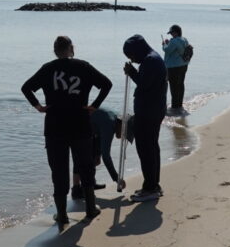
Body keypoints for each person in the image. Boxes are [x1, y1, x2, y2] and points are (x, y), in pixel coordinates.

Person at [21, 35, 113, 226]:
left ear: (55, 51)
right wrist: (94, 105)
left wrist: (38, 106)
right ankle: (90, 209)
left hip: (55, 126)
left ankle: (62, 215)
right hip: (80, 124)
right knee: (85, 167)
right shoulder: (83, 66)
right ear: (72, 49)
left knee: (59, 171)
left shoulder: (48, 69)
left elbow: (26, 88)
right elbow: (107, 84)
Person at [122, 34, 168, 202]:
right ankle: (154, 184)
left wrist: (132, 72)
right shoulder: (153, 58)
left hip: (148, 112)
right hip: (154, 109)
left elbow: (144, 84)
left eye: (131, 55)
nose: (132, 59)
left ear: (138, 50)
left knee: (146, 150)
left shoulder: (150, 61)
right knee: (152, 148)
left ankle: (150, 188)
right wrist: (134, 71)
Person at [73, 106, 123, 198]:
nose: (122, 137)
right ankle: (76, 189)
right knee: (81, 159)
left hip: (92, 129)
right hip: (77, 125)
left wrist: (97, 154)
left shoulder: (115, 118)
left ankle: (91, 183)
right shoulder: (109, 125)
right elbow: (106, 156)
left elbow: (99, 133)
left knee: (94, 158)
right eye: (124, 133)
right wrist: (117, 178)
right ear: (121, 125)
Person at [162, 24, 190, 115]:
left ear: (176, 32)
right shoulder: (184, 39)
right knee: (180, 85)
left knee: (173, 86)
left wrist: (164, 44)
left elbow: (167, 50)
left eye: (172, 33)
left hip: (173, 67)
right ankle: (179, 105)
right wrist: (169, 43)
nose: (171, 35)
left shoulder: (174, 41)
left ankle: (174, 107)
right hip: (184, 65)